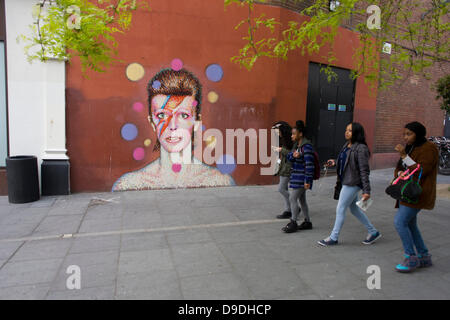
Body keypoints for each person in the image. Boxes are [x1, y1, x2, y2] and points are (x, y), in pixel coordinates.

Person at [112, 68, 234, 191]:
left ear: (196, 122)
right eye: (162, 115)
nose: (172, 125)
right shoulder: (129, 185)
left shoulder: (220, 181)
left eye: (183, 115)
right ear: (152, 122)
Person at [318, 122, 381, 246]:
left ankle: (333, 237)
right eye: (346, 130)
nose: (346, 132)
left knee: (340, 209)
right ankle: (373, 232)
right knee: (354, 209)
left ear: (356, 133)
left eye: (350, 131)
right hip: (346, 180)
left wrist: (366, 191)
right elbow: (346, 161)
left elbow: (364, 170)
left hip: (352, 182)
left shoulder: (361, 148)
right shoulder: (347, 145)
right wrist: (334, 162)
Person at [393, 121, 438, 273]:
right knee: (411, 224)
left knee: (400, 222)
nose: (405, 137)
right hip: (406, 192)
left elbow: (421, 171)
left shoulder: (429, 148)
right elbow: (400, 167)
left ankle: (411, 257)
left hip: (418, 193)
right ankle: (424, 256)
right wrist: (399, 173)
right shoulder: (411, 147)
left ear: (418, 134)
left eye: (409, 134)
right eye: (404, 134)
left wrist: (404, 155)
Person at [282, 120, 314, 233]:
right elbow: (290, 157)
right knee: (302, 200)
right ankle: (307, 222)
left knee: (292, 198)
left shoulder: (306, 147)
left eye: (293, 134)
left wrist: (307, 180)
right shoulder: (297, 146)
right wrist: (294, 155)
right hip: (296, 177)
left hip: (301, 178)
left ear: (300, 134)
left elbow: (310, 165)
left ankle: (293, 222)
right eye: (291, 134)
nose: (292, 136)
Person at [271, 121, 294, 219]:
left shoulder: (291, 139)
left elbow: (292, 153)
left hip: (288, 167)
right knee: (284, 189)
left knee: (281, 189)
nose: (277, 133)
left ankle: (294, 206)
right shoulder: (284, 139)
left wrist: (280, 150)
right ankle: (288, 210)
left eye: (277, 131)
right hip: (283, 166)